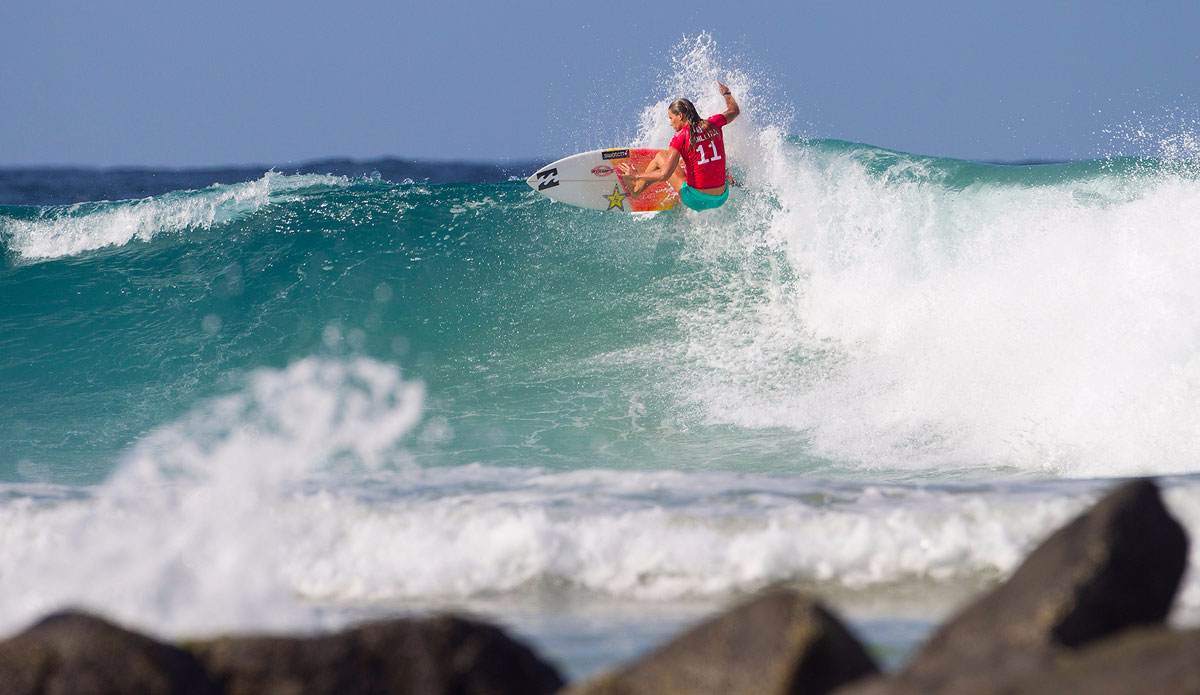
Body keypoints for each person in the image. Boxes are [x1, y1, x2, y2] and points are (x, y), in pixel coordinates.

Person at [618, 81, 740, 211]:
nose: (670, 123)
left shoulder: (680, 137)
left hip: (697, 199)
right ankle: (731, 181)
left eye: (671, 118)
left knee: (661, 156)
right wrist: (726, 93)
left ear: (680, 116)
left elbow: (665, 174)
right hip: (721, 197)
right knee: (693, 160)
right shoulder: (714, 123)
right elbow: (734, 110)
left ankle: (637, 188)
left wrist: (637, 175)